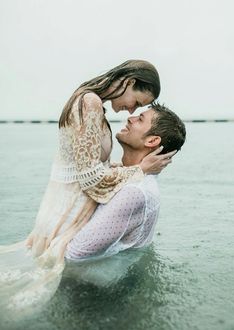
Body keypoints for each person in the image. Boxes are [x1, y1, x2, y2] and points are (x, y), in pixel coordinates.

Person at [0, 60, 176, 315]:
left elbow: (90, 168)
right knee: (30, 293)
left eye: (138, 109)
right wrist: (139, 170)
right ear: (129, 82)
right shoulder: (90, 103)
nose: (130, 111)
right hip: (69, 210)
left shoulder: (91, 103)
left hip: (65, 206)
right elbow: (91, 179)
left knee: (32, 280)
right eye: (137, 102)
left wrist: (129, 169)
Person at [65, 104, 186, 262]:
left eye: (140, 119)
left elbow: (75, 253)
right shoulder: (132, 178)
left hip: (93, 284)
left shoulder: (135, 192)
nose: (130, 118)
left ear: (152, 140)